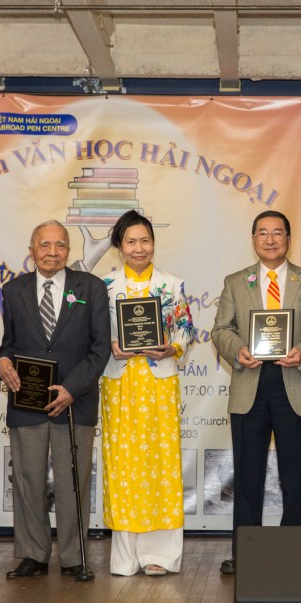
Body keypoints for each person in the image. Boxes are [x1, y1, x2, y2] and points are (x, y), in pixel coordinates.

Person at [211, 210, 301, 575]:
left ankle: (293, 551)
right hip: (250, 384)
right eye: (263, 233)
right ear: (253, 240)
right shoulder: (236, 282)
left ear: (288, 239)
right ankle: (246, 552)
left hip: (294, 382)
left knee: (294, 476)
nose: (270, 239)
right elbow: (221, 330)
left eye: (277, 233)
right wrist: (237, 349)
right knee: (247, 475)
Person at [0, 220, 111, 581]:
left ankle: (75, 557)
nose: (52, 252)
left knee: (72, 482)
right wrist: (2, 361)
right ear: (31, 250)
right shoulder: (12, 290)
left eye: (60, 245)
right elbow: (9, 344)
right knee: (27, 480)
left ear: (69, 250)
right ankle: (33, 555)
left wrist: (72, 389)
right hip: (27, 402)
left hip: (75, 402)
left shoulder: (91, 287)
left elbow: (100, 349)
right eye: (44, 245)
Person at [99, 210, 196, 577]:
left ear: (154, 243)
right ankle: (125, 557)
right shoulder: (104, 286)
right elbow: (94, 335)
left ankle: (161, 555)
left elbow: (186, 327)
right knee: (123, 466)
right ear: (119, 246)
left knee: (160, 465)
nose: (139, 248)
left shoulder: (172, 283)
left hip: (159, 383)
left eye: (145, 241)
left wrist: (173, 347)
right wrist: (110, 346)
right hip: (119, 382)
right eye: (131, 242)